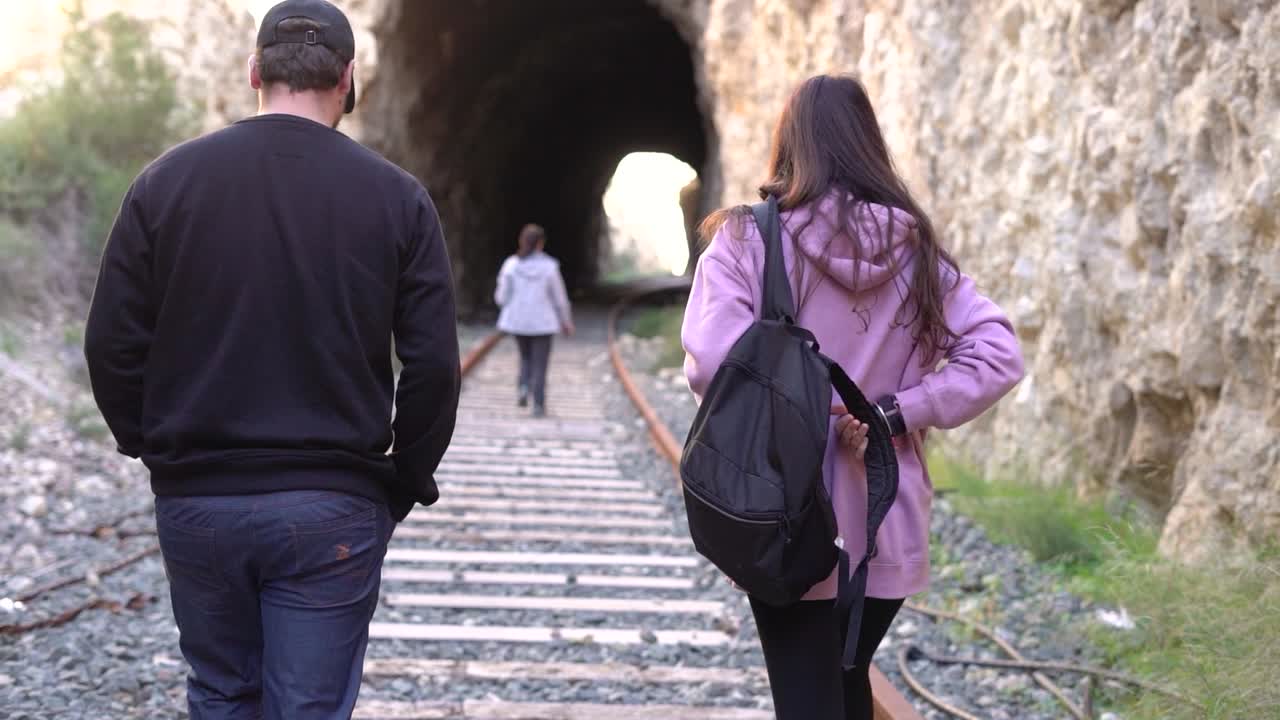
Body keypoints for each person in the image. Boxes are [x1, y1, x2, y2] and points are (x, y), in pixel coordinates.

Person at [82, 1, 461, 717]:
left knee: (222, 694)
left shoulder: (164, 185)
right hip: (332, 507)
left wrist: (155, 446)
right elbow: (435, 366)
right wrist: (402, 481)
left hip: (198, 500)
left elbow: (111, 344)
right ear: (349, 81)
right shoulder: (398, 200)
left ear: (254, 69)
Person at [681, 74, 1024, 720]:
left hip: (782, 514)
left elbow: (712, 365)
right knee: (843, 683)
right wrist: (895, 411)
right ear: (870, 146)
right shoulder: (917, 251)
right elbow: (998, 354)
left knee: (808, 699)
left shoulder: (746, 240)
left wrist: (804, 412)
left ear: (792, 144)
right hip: (885, 518)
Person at [494, 223, 575, 418]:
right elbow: (560, 299)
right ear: (540, 244)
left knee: (525, 357)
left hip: (518, 321)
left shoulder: (511, 265)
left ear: (521, 241)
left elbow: (501, 297)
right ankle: (538, 404)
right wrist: (566, 321)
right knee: (540, 363)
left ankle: (523, 387)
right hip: (543, 323)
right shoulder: (550, 267)